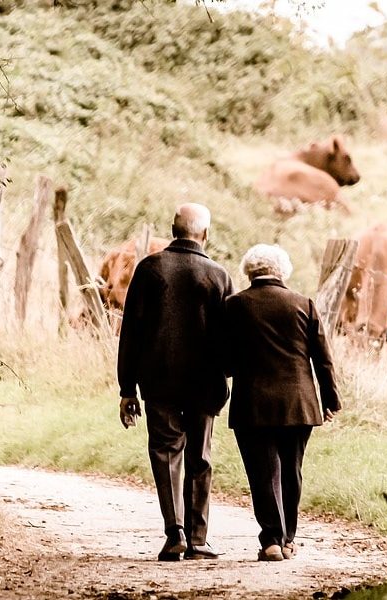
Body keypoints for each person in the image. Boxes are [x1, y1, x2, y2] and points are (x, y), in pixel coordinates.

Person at [117, 203, 234, 561]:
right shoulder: (218, 275)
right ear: (206, 235)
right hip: (205, 383)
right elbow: (228, 336)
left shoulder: (150, 269)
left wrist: (127, 389)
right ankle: (199, 539)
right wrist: (226, 374)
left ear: (172, 229)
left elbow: (131, 333)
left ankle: (175, 533)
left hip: (159, 380)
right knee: (200, 457)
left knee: (166, 454)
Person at [223, 244, 341, 562]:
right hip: (300, 403)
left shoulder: (234, 305)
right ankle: (288, 538)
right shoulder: (304, 304)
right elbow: (323, 359)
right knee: (292, 470)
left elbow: (226, 360)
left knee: (263, 473)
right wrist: (330, 399)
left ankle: (271, 540)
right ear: (282, 271)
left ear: (249, 270)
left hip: (253, 404)